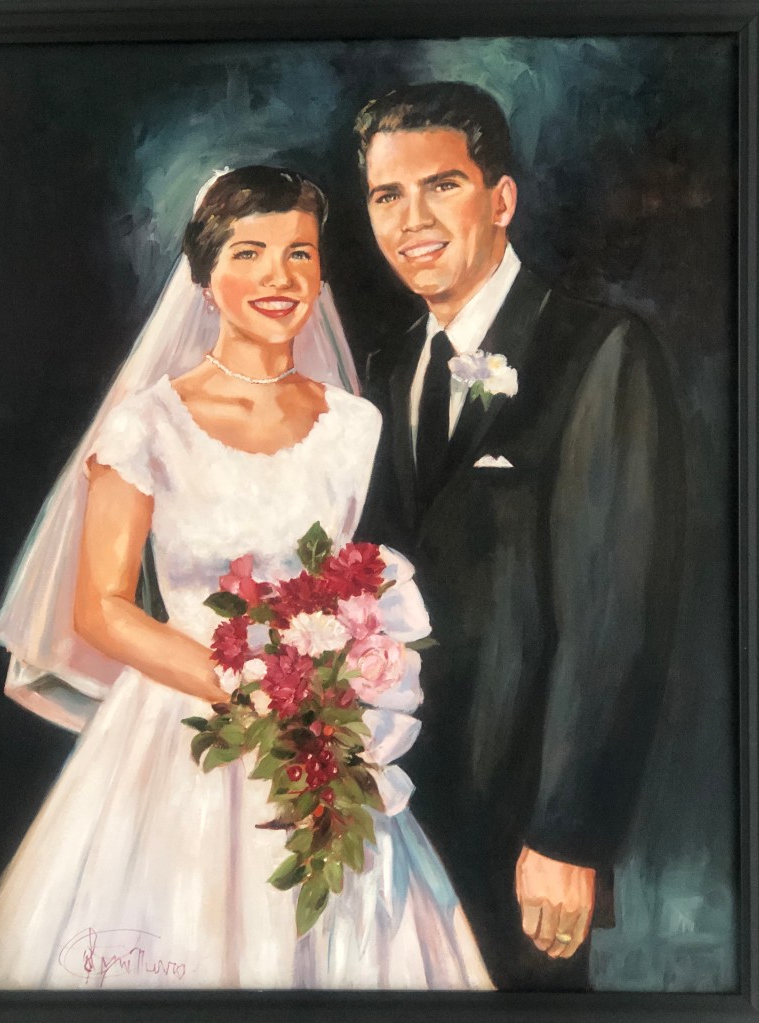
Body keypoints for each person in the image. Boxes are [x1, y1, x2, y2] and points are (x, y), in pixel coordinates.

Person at [0, 166, 491, 990]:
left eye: (300, 253)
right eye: (248, 253)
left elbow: (359, 582)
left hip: (322, 737)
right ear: (203, 274)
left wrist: (337, 681)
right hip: (181, 727)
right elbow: (102, 608)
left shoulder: (355, 426)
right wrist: (248, 690)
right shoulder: (147, 423)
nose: (278, 277)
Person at [354, 82, 686, 990]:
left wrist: (569, 834)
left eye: (441, 186)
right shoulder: (382, 372)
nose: (411, 220)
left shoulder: (599, 350)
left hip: (524, 841)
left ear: (500, 199)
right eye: (386, 196)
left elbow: (615, 619)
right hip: (389, 824)